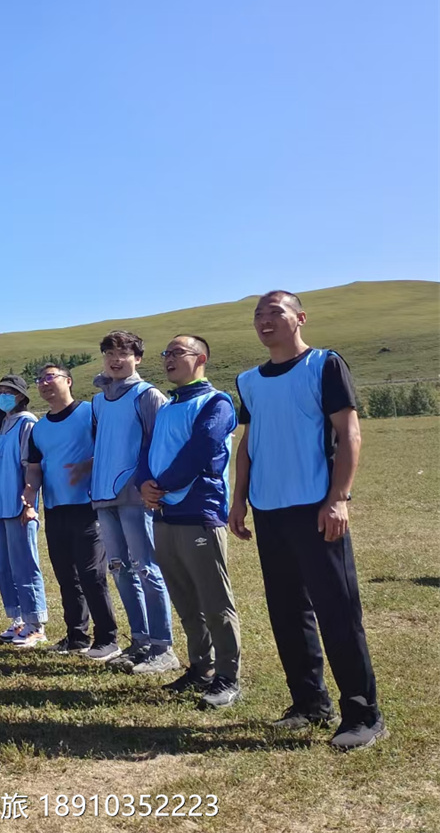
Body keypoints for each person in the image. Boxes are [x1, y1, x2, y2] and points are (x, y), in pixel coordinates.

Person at [229, 291, 386, 751]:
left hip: (316, 506)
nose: (264, 320)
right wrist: (239, 499)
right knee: (286, 610)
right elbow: (248, 442)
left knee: (337, 609)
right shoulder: (249, 380)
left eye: (274, 312)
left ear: (299, 318)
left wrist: (339, 498)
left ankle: (363, 713)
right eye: (258, 315)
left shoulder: (324, 364)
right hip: (268, 508)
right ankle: (309, 703)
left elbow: (348, 431)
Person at [136, 335, 243, 705]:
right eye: (165, 353)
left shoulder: (216, 402)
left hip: (199, 514)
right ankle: (201, 668)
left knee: (214, 600)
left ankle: (228, 676)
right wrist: (143, 484)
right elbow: (147, 452)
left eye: (177, 352)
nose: (168, 359)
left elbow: (202, 451)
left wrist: (160, 485)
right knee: (184, 599)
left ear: (201, 358)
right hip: (165, 517)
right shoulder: (167, 407)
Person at [90, 331, 177, 673]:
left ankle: (163, 647)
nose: (115, 359)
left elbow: (160, 445)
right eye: (109, 352)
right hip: (102, 495)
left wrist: (147, 485)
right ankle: (139, 641)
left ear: (137, 358)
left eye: (123, 353)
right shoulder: (98, 401)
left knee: (146, 568)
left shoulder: (148, 395)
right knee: (119, 569)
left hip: (134, 495)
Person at [22, 363, 119, 660]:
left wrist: (87, 466)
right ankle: (77, 636)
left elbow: (112, 447)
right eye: (40, 380)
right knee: (66, 576)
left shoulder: (90, 412)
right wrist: (29, 495)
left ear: (69, 381)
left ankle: (108, 639)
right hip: (55, 509)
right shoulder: (39, 428)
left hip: (88, 506)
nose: (44, 383)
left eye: (50, 377)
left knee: (92, 574)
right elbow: (36, 469)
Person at [0, 374, 48, 648]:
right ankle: (18, 619)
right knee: (5, 567)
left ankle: (36, 624)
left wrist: (29, 503)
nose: (3, 396)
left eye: (8, 391)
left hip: (19, 505)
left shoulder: (27, 423)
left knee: (25, 565)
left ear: (21, 396)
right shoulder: (0, 426)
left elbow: (31, 466)